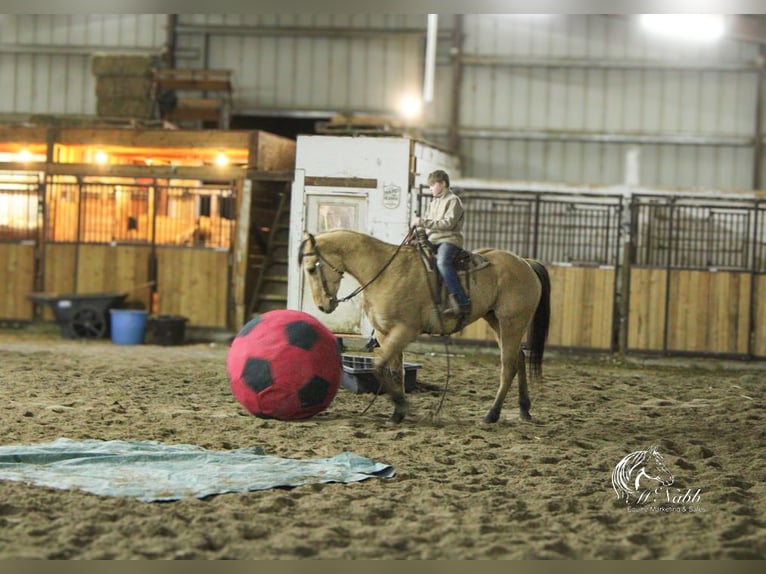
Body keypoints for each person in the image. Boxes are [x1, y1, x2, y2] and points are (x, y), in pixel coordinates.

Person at [411, 169, 471, 317]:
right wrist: (417, 231)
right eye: (429, 185)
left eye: (433, 184)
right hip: (432, 240)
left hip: (448, 240)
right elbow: (426, 223)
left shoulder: (453, 200)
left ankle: (462, 302)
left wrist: (423, 221)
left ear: (443, 184)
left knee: (443, 262)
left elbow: (448, 223)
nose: (430, 188)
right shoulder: (434, 202)